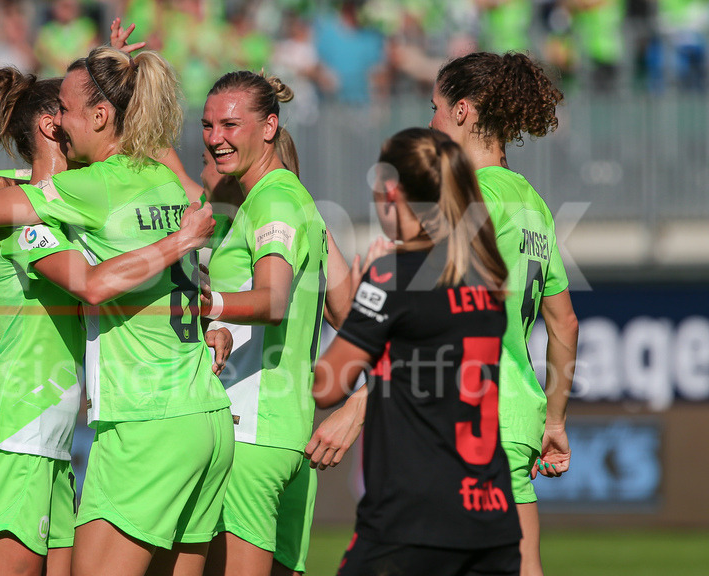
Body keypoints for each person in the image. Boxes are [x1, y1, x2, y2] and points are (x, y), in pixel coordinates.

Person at [0, 46, 233, 576]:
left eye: (66, 109)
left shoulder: (79, 192)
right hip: (204, 417)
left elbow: (78, 267)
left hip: (141, 422)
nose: (60, 122)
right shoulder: (161, 179)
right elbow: (174, 199)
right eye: (56, 113)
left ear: (101, 115)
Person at [310, 127, 521, 576]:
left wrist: (368, 292)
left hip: (413, 517)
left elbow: (326, 384)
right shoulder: (487, 274)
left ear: (391, 192)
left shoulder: (394, 276)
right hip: (492, 517)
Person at [428, 52, 579, 576]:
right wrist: (554, 420)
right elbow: (564, 322)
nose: (431, 124)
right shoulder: (532, 202)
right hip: (517, 415)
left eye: (437, 109)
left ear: (464, 111)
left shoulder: (470, 199)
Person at [198, 71, 330, 576]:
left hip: (252, 429)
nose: (215, 138)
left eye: (230, 124)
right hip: (285, 427)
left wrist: (206, 306)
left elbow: (272, 300)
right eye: (208, 126)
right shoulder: (282, 198)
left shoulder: (274, 199)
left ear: (270, 126)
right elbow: (340, 303)